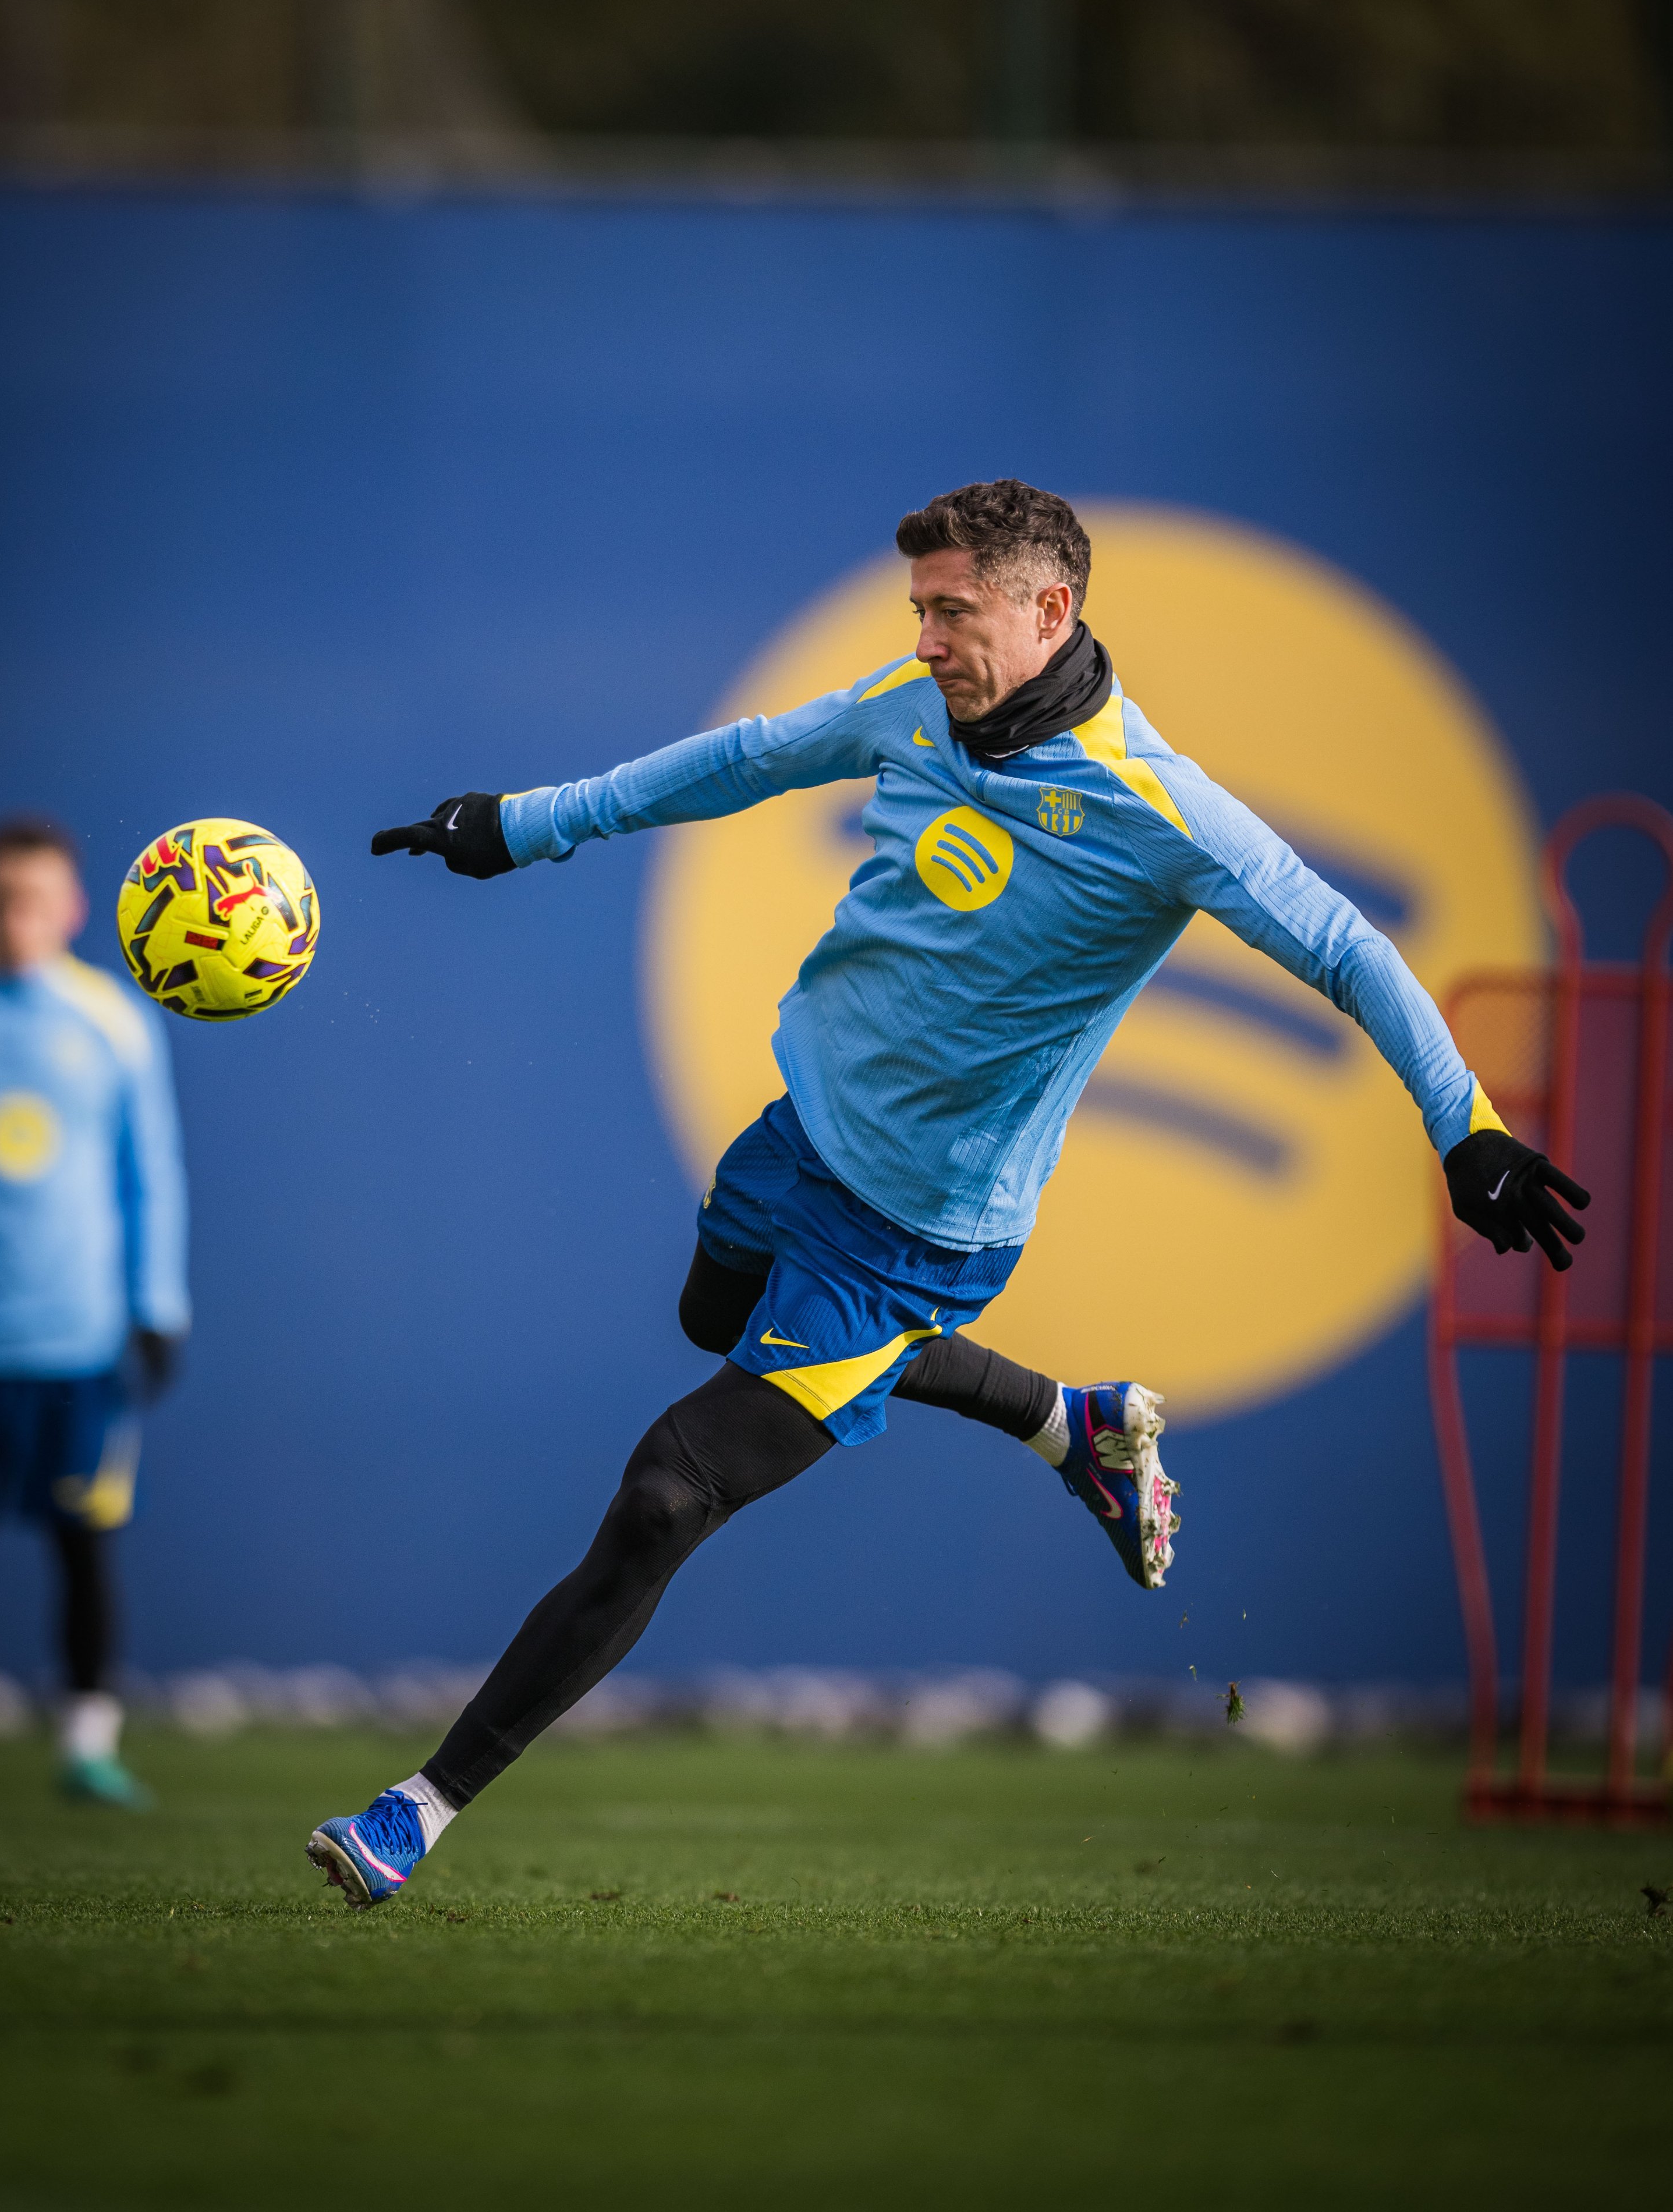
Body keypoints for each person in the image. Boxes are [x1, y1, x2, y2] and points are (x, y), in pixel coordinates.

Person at [306, 479, 1588, 1906]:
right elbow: (743, 758)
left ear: (1051, 610)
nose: (923, 638)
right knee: (711, 1317)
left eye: (952, 610)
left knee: (666, 1496)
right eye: (917, 607)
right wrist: (521, 823)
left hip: (912, 1237)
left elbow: (1350, 946)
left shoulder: (1158, 807)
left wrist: (1468, 1128)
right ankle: (1066, 1420)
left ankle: (419, 1806)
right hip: (796, 1136)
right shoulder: (910, 709)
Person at [0, 816, 190, 1809]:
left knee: (84, 1548)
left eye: (36, 900)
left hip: (82, 1341)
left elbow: (151, 1170)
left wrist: (157, 1305)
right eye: (0, 899)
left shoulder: (114, 1022)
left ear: (71, 908)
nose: (16, 918)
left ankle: (88, 1745)